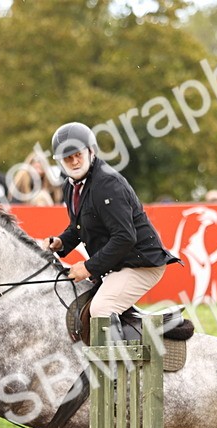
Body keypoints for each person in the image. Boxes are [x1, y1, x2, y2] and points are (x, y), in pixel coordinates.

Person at [42, 121, 178, 318]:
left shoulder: (108, 184)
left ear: (91, 151)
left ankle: (126, 350)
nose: (74, 162)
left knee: (100, 310)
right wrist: (61, 243)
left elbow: (125, 237)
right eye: (67, 158)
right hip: (118, 264)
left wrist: (88, 268)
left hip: (141, 264)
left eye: (78, 155)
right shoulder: (70, 186)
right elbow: (79, 227)